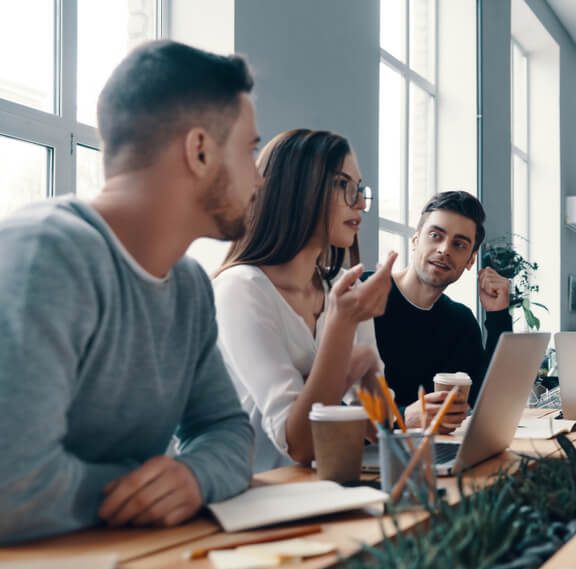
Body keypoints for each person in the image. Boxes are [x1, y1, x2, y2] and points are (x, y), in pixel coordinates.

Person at [0, 41, 259, 543]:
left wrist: (191, 477)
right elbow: (14, 489)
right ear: (200, 150)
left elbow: (228, 431)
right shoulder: (44, 257)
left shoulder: (189, 288)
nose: (258, 174)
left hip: (103, 567)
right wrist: (139, 487)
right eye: (250, 149)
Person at [213, 130, 395, 471]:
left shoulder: (341, 289)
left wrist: (368, 365)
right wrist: (342, 327)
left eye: (360, 189)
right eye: (344, 185)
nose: (359, 203)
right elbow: (299, 443)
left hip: (314, 489)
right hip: (252, 495)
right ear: (297, 190)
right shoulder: (241, 290)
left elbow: (379, 426)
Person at [371, 191, 513, 432]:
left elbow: (487, 404)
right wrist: (403, 417)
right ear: (415, 240)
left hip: (434, 456)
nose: (444, 250)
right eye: (435, 235)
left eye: (459, 244)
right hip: (363, 458)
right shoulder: (362, 298)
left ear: (470, 260)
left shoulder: (461, 322)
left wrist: (498, 316)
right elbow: (329, 405)